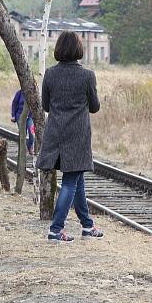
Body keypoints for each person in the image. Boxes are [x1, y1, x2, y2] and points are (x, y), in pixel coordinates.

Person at [35, 31, 103, 243]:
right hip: (77, 135)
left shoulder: (50, 74)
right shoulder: (87, 76)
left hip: (56, 133)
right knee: (70, 182)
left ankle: (87, 225)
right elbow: (94, 107)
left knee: (76, 180)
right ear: (78, 50)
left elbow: (45, 105)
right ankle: (56, 229)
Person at [11, 89, 35, 155]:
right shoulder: (19, 92)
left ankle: (30, 147)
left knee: (32, 132)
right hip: (20, 116)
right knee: (23, 134)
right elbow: (14, 104)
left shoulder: (32, 93)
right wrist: (13, 115)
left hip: (30, 117)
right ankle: (22, 150)